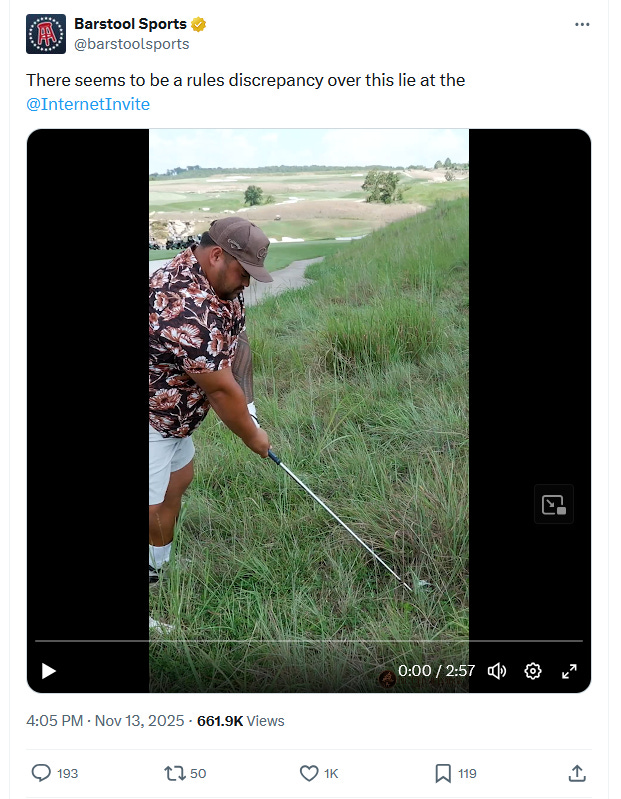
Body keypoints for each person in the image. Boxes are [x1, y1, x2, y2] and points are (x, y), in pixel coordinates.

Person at [148, 217, 272, 592]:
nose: (246, 283)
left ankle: (156, 571)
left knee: (176, 484)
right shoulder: (183, 305)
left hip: (175, 418)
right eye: (244, 273)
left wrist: (249, 407)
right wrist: (253, 436)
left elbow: (238, 340)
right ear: (217, 255)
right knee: (150, 505)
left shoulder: (222, 285)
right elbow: (220, 392)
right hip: (152, 418)